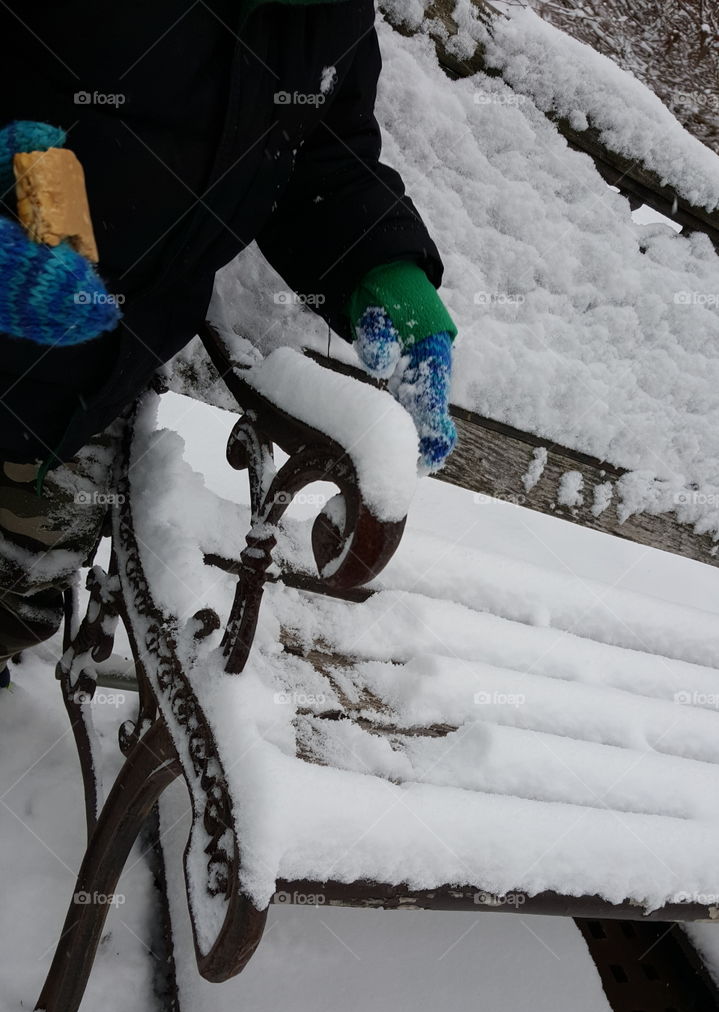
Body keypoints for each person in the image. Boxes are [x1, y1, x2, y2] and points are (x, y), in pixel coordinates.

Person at [0, 0, 457, 689]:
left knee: (15, 601)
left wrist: (383, 269)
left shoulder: (329, 16)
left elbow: (316, 155)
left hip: (77, 405)